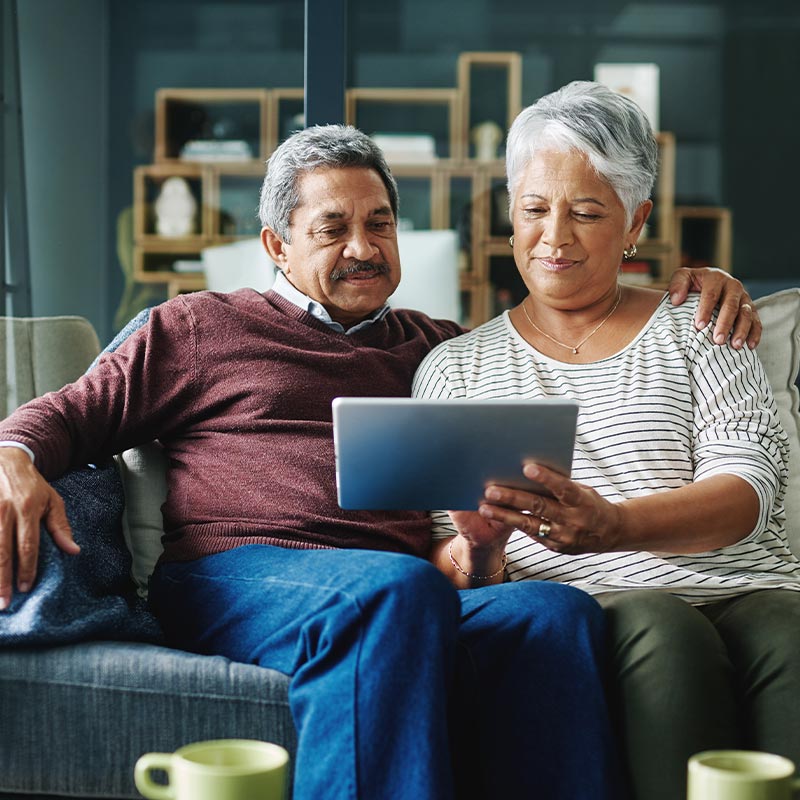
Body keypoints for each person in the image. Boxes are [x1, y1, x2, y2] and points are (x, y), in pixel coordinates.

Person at [0, 124, 757, 799]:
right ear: (277, 246)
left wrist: (697, 290)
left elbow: (564, 325)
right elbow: (72, 412)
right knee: (394, 591)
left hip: (406, 590)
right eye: (333, 228)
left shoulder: (437, 348)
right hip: (238, 577)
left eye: (380, 224)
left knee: (550, 613)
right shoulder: (199, 326)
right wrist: (14, 454)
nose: (363, 247)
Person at [411, 81, 800, 800]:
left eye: (586, 213)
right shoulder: (457, 368)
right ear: (510, 215)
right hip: (598, 601)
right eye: (534, 209)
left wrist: (616, 525)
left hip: (752, 585)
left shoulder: (704, 323)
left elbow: (750, 485)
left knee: (789, 629)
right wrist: (483, 547)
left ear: (636, 222)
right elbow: (447, 553)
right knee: (662, 628)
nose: (554, 236)